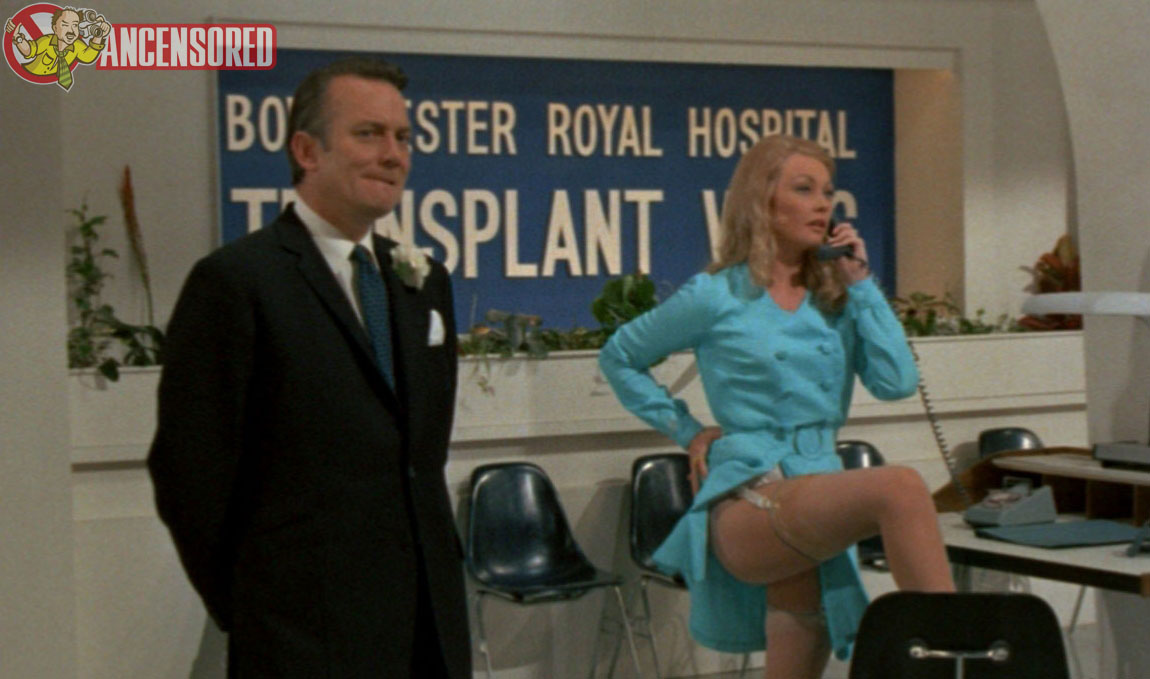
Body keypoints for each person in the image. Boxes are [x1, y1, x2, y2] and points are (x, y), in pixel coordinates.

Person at [148, 56, 470, 678]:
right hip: (301, 635)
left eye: (403, 137)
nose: (393, 155)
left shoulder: (424, 283)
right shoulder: (237, 282)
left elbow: (418, 456)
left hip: (428, 627)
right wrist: (251, 604)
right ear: (306, 150)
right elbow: (189, 474)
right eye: (368, 134)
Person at [599, 134, 954, 678]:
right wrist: (688, 430)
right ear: (763, 201)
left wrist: (861, 285)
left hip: (816, 479)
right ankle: (954, 657)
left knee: (804, 627)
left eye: (828, 192)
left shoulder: (835, 296)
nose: (822, 204)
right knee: (900, 487)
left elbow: (897, 382)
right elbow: (620, 356)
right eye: (804, 189)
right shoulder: (717, 294)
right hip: (752, 492)